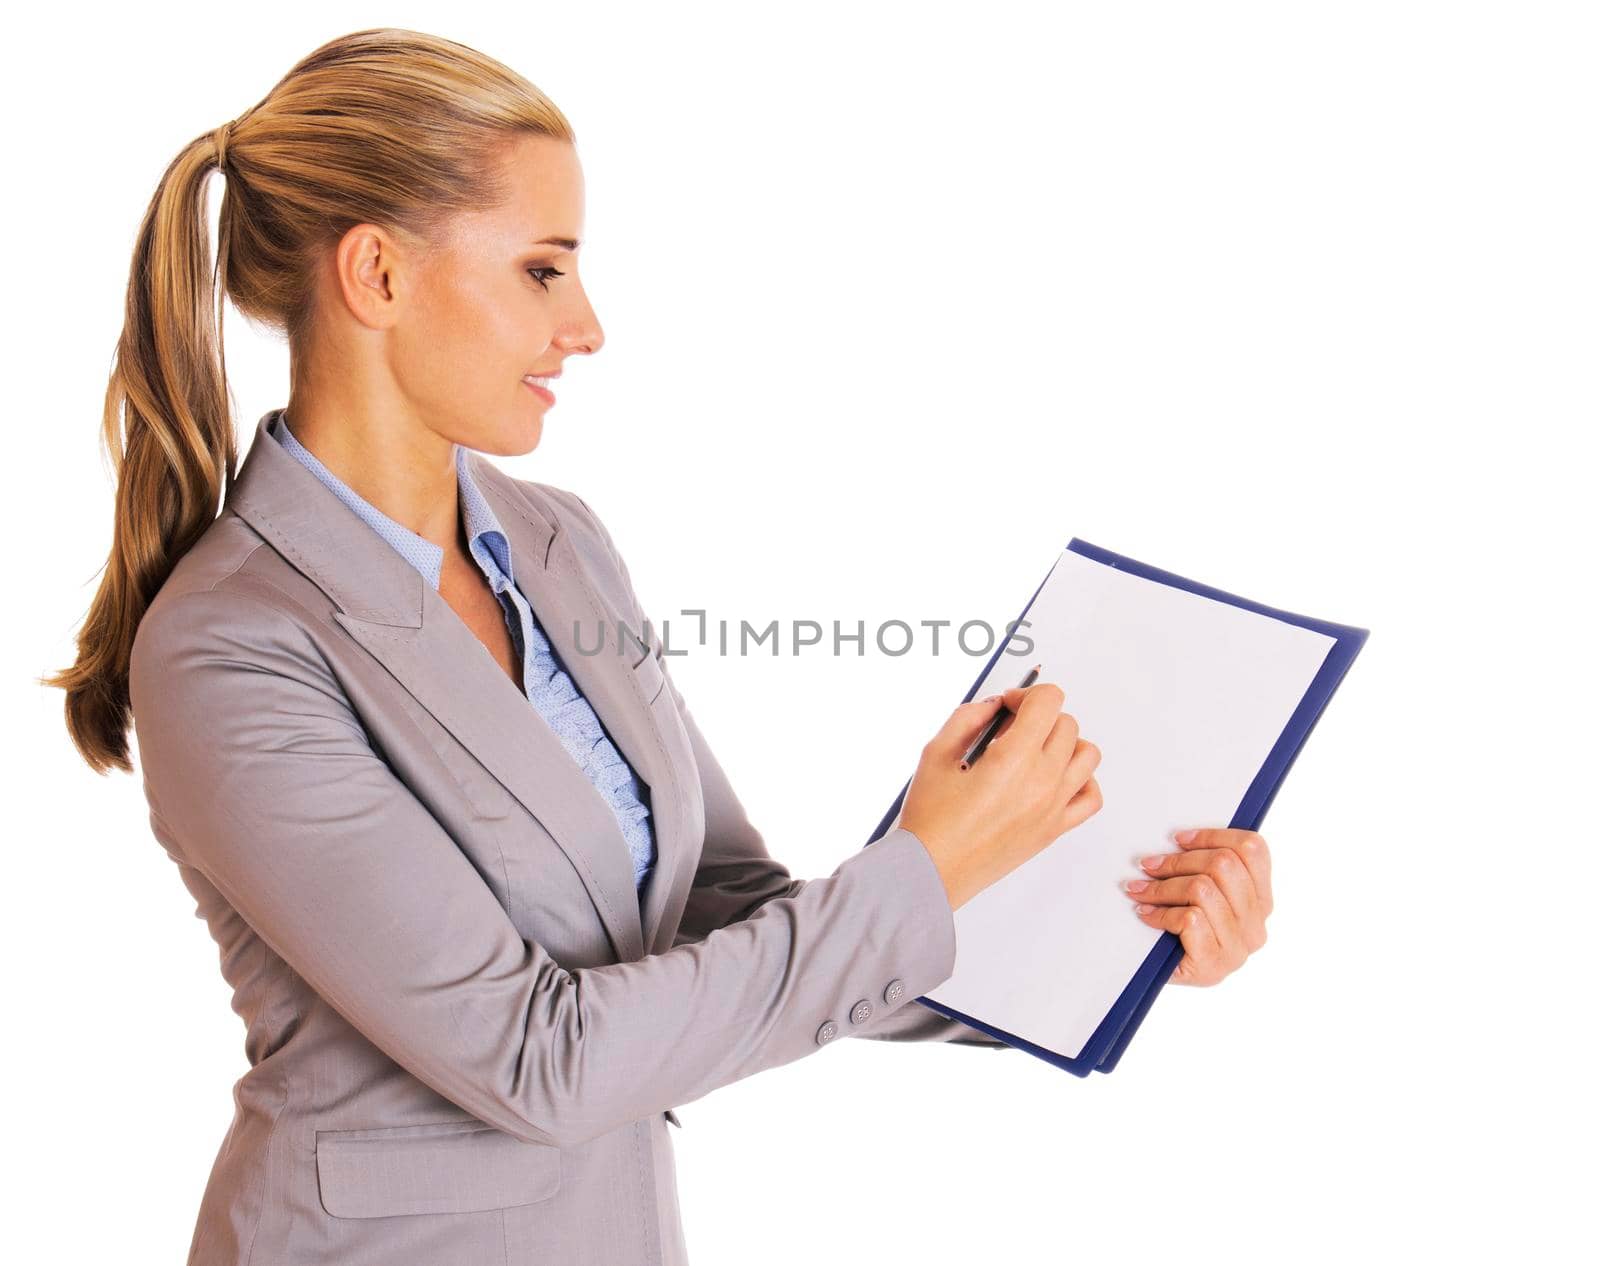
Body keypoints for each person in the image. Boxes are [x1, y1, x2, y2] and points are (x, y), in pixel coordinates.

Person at [46, 26, 1274, 1266]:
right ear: (375, 275)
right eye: (542, 270)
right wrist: (927, 867)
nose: (585, 325)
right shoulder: (230, 646)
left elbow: (719, 909)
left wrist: (1109, 943)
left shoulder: (556, 542)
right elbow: (538, 1057)